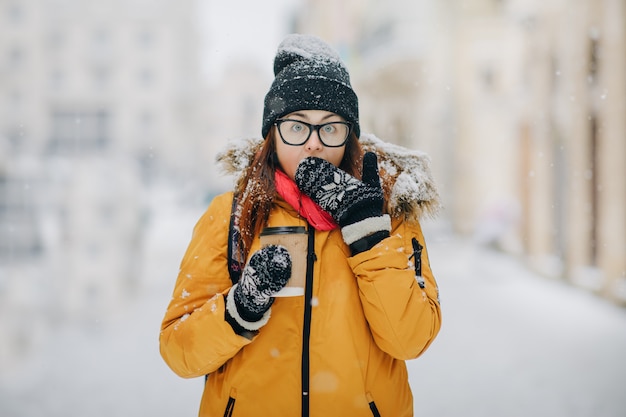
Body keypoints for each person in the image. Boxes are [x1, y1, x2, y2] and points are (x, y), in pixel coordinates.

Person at [160, 33, 442, 417]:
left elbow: (409, 340)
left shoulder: (387, 216)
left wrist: (370, 237)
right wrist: (240, 307)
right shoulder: (230, 215)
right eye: (297, 127)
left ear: (349, 137)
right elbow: (179, 352)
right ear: (272, 135)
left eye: (330, 127)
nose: (313, 144)